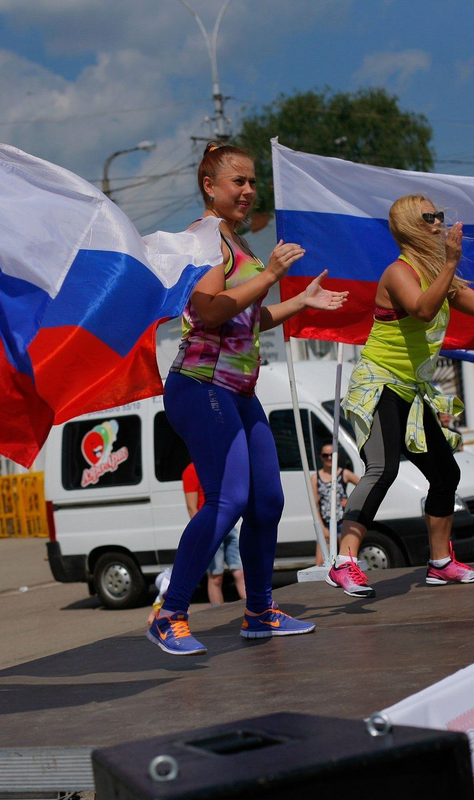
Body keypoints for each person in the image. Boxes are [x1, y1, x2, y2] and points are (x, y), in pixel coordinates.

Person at [147, 141, 348, 655]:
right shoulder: (205, 239)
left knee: (267, 501)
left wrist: (299, 301)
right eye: (238, 182)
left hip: (238, 390)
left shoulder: (237, 243)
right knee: (229, 498)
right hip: (200, 387)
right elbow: (211, 311)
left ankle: (259, 612)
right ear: (209, 187)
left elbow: (248, 318)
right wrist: (273, 276)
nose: (249, 190)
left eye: (254, 182)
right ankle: (169, 615)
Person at [328, 194, 474, 597]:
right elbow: (422, 309)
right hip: (380, 382)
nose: (439, 222)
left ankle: (440, 563)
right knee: (381, 469)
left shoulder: (439, 274)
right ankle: (345, 560)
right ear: (409, 225)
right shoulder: (398, 272)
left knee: (445, 473)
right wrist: (451, 263)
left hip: (413, 390)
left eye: (439, 215)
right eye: (429, 217)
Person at [181, 462, 246, 606]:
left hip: (229, 526)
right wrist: (204, 533)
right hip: (211, 529)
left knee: (240, 573)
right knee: (216, 577)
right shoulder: (191, 470)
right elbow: (192, 508)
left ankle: (257, 610)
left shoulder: (217, 465)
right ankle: (218, 614)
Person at [310, 444, 360, 566]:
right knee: (320, 562)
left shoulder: (344, 473)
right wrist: (322, 528)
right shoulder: (316, 477)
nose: (329, 458)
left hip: (343, 521)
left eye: (332, 455)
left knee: (345, 559)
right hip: (326, 522)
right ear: (320, 457)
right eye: (325, 455)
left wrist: (351, 500)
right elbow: (314, 504)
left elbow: (362, 487)